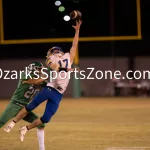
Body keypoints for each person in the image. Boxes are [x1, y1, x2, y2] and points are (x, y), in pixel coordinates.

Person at [4, 20, 82, 142]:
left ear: (55, 51)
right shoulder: (52, 59)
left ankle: (25, 128)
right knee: (30, 106)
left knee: (46, 118)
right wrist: (66, 69)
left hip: (58, 94)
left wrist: (77, 31)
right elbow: (54, 67)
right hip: (49, 88)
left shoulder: (67, 57)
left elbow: (74, 45)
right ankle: (12, 123)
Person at [0, 61, 47, 150]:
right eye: (38, 69)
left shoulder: (40, 80)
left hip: (25, 109)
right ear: (32, 69)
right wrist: (45, 79)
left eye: (41, 69)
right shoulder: (25, 74)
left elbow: (49, 85)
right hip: (15, 105)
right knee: (0, 122)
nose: (40, 71)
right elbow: (35, 82)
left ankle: (42, 148)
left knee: (41, 124)